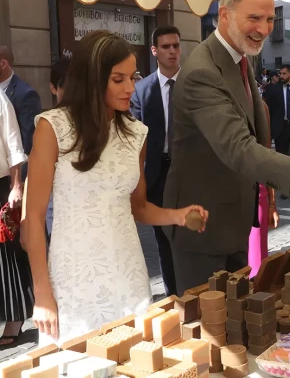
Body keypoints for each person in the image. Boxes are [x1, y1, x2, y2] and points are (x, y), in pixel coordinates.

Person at [22, 30, 208, 345]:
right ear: (92, 79)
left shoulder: (136, 134)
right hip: (74, 275)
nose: (131, 88)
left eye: (132, 77)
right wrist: (42, 293)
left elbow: (137, 207)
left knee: (134, 356)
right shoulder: (52, 128)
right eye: (117, 79)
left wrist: (177, 215)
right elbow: (33, 219)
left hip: (128, 270)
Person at [162, 0, 290, 295]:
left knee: (238, 325)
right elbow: (240, 149)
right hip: (201, 230)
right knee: (208, 334)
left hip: (233, 225)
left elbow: (258, 136)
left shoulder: (240, 59)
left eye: (270, 19)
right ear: (226, 14)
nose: (264, 29)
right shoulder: (203, 71)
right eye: (255, 18)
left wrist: (269, 197)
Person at [130, 25, 182, 297]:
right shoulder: (141, 90)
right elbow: (135, 135)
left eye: (175, 45)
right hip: (157, 171)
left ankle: (194, 290)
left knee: (189, 233)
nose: (172, 51)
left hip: (187, 171)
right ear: (155, 51)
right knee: (163, 237)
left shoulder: (193, 84)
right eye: (166, 47)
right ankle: (174, 294)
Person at [0, 86, 30, 346]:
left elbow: (13, 141)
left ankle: (15, 317)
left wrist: (16, 185)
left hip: (1, 184)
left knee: (7, 255)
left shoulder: (0, 98)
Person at [0, 46, 42, 179]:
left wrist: (19, 181)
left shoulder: (25, 94)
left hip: (10, 178)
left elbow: (28, 142)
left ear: (3, 64)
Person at [248, 102, 279, 278]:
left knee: (256, 263)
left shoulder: (259, 107)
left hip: (256, 191)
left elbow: (267, 157)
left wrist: (272, 204)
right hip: (223, 195)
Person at [45, 59, 71, 237]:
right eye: (66, 87)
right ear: (53, 88)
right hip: (57, 209)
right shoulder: (47, 125)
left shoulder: (97, 123)